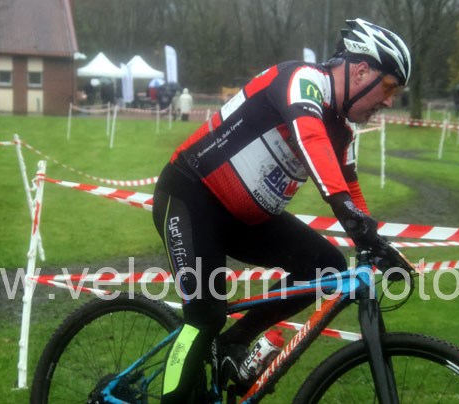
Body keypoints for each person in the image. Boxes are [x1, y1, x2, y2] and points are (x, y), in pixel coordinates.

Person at [151, 18, 411, 402]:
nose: (389, 101)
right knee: (205, 316)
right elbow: (310, 140)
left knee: (328, 268)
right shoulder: (301, 80)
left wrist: (375, 241)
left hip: (246, 220)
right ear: (360, 71)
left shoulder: (343, 131)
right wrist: (349, 215)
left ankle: (234, 342)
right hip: (190, 196)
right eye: (389, 87)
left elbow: (350, 187)